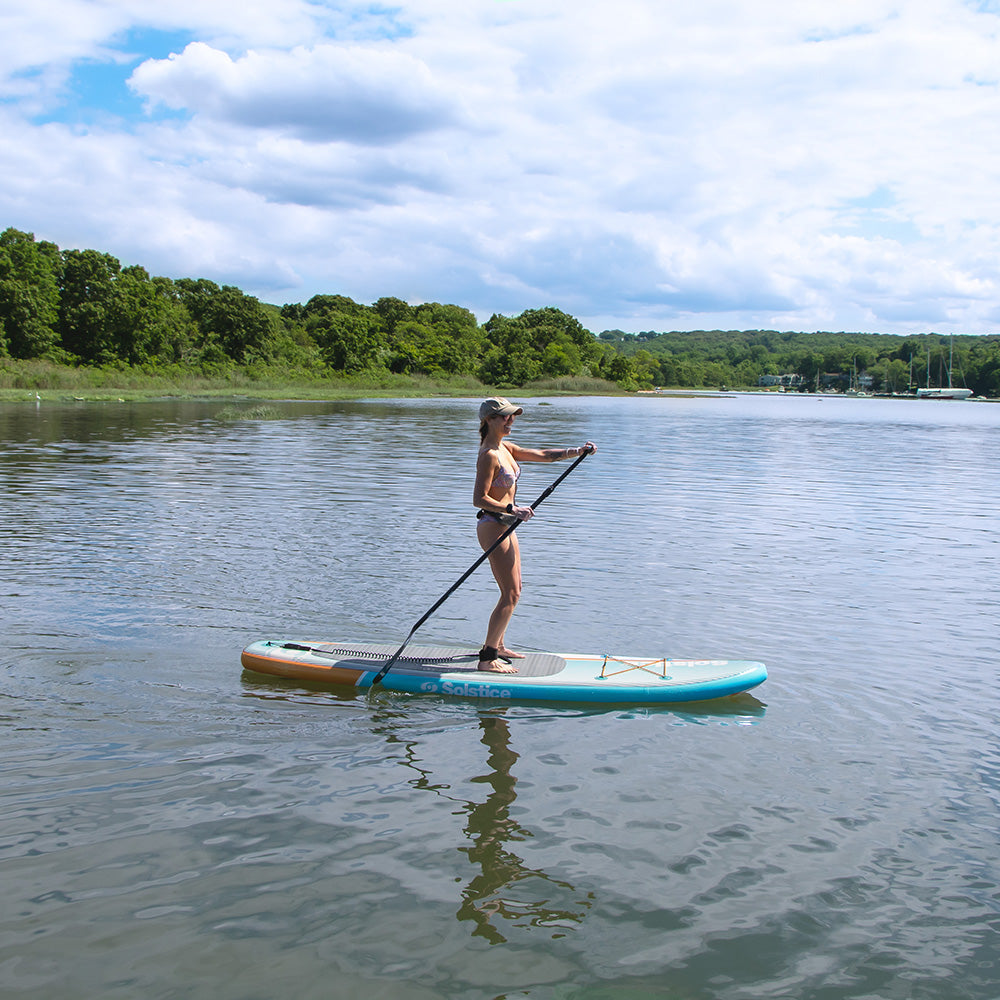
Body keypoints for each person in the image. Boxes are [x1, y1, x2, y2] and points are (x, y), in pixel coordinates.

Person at [473, 397, 596, 673]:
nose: (510, 420)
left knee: (515, 591)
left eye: (512, 416)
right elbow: (478, 499)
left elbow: (541, 455)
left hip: (506, 524)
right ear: (489, 420)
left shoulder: (506, 448)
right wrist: (512, 508)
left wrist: (577, 451)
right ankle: (487, 657)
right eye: (505, 417)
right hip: (493, 524)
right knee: (510, 593)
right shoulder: (489, 454)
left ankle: (499, 644)